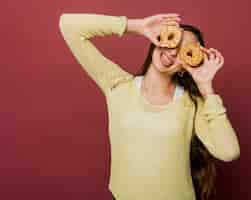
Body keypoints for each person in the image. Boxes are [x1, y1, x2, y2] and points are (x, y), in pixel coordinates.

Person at [58, 13, 240, 200]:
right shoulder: (117, 86)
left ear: (186, 67)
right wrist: (136, 26)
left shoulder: (192, 105)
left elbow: (229, 152)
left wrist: (206, 89)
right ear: (158, 39)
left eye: (183, 52)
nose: (172, 52)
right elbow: (68, 25)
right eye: (172, 41)